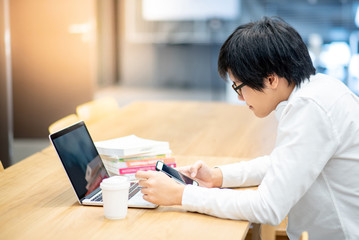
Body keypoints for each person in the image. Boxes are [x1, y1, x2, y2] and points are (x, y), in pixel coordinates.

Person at [136, 16, 359, 240]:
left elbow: (267, 207)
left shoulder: (310, 108)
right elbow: (283, 163)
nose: (241, 98)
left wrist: (181, 194)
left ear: (271, 79)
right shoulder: (319, 90)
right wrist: (217, 176)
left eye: (239, 86)